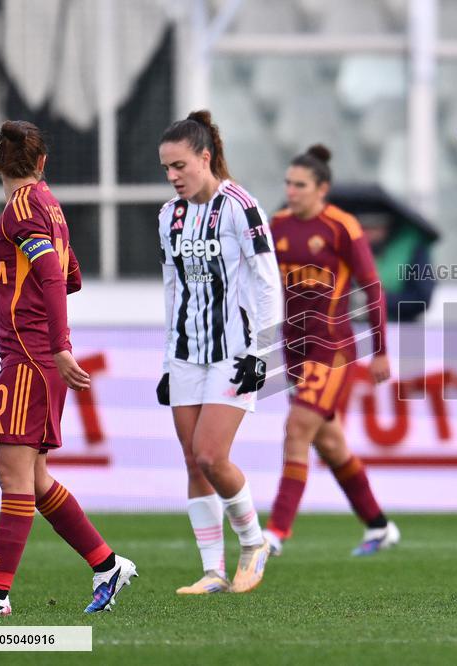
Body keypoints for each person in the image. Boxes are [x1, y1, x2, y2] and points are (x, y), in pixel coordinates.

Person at [0, 121, 137, 616]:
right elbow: (70, 275)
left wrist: (60, 346)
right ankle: (107, 565)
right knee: (36, 477)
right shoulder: (48, 204)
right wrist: (8, 296)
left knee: (12, 476)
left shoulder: (21, 210)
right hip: (33, 352)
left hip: (30, 357)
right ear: (42, 162)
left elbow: (53, 276)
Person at [156, 110, 284, 594]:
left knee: (211, 455)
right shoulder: (169, 216)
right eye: (167, 169)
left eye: (180, 166)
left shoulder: (240, 206)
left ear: (205, 158)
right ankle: (213, 571)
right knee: (193, 462)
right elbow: (173, 288)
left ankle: (254, 542)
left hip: (235, 351)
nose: (173, 177)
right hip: (185, 353)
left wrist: (263, 354)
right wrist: (167, 361)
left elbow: (268, 283)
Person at [264, 145, 399, 557]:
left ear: (322, 189)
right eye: (288, 183)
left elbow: (372, 288)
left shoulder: (341, 226)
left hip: (332, 348)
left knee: (296, 429)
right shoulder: (277, 225)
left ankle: (275, 533)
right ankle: (379, 526)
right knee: (331, 444)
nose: (291, 191)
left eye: (300, 185)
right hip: (293, 349)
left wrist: (380, 350)